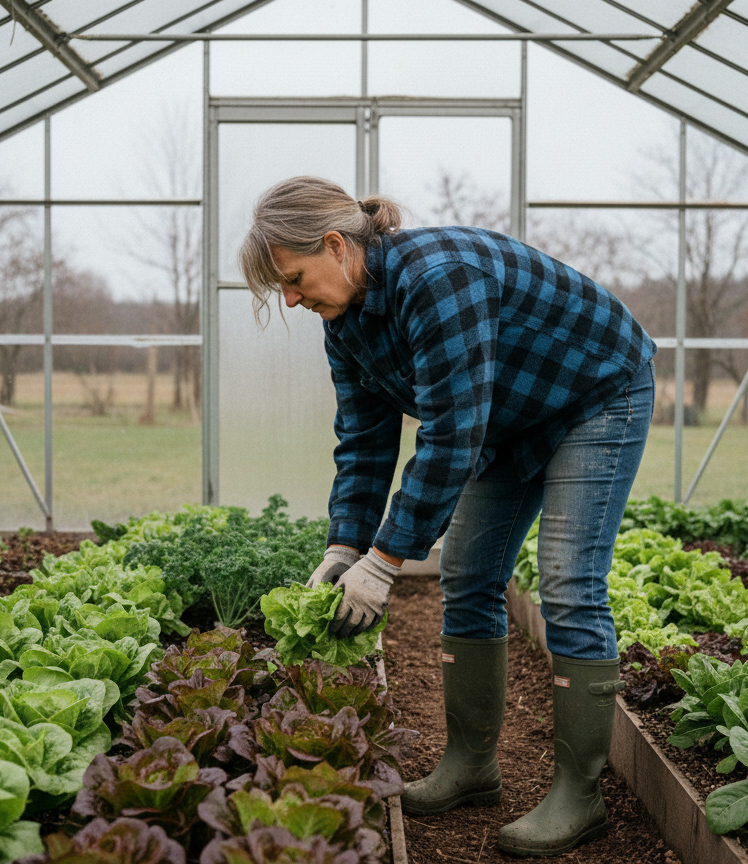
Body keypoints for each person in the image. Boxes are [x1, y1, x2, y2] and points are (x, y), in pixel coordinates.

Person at [239, 175, 656, 858]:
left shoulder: (437, 278)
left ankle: (580, 797)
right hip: (509, 416)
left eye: (292, 277)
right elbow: (366, 442)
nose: (290, 298)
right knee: (468, 572)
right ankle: (472, 767)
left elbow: (451, 434)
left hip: (595, 393)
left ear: (337, 245)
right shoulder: (344, 326)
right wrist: (346, 545)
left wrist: (386, 560)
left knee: (569, 583)